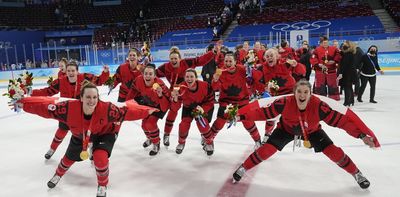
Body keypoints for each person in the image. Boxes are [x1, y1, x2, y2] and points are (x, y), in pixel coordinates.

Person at [231, 79, 380, 189]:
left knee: (333, 151)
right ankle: (244, 167)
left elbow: (342, 122)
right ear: (294, 92)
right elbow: (263, 113)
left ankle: (357, 174)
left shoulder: (319, 106)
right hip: (286, 130)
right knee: (266, 149)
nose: (302, 95)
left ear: (310, 93)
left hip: (312, 131)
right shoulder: (284, 102)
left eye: (305, 92)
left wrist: (361, 136)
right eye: (299, 92)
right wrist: (241, 116)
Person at [18, 81, 158, 197]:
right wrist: (24, 105)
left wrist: (146, 111)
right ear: (81, 98)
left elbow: (127, 112)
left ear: (98, 97)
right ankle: (58, 175)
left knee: (100, 157)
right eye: (88, 97)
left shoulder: (107, 109)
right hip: (81, 135)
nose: (92, 101)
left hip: (104, 134)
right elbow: (45, 109)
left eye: (94, 97)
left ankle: (102, 186)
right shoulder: (67, 108)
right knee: (68, 159)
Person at [31, 62, 109, 159]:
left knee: (89, 133)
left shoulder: (85, 77)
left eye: (73, 70)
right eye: (68, 71)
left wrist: (105, 72)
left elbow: (99, 81)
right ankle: (52, 149)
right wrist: (31, 92)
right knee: (61, 131)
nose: (71, 73)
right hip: (66, 112)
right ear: (65, 72)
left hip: (84, 112)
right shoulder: (60, 81)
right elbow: (47, 91)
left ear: (77, 71)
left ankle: (92, 149)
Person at [156, 46, 217, 147]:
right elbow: (154, 74)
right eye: (172, 58)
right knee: (172, 112)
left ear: (180, 58)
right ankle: (166, 134)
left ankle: (204, 134)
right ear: (169, 59)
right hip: (175, 93)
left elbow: (200, 60)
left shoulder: (186, 63)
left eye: (176, 58)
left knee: (198, 114)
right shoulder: (165, 67)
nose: (174, 60)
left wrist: (212, 53)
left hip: (188, 93)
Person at [205, 52, 262, 155]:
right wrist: (215, 80)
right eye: (226, 61)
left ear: (235, 62)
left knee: (248, 121)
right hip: (226, 102)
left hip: (242, 101)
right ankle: (209, 141)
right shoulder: (220, 72)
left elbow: (255, 78)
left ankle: (258, 141)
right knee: (220, 122)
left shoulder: (242, 69)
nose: (228, 63)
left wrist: (251, 67)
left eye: (230, 61)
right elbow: (214, 88)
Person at [170, 68, 215, 154]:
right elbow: (175, 108)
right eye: (187, 77)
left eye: (191, 76)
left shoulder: (205, 86)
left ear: (196, 78)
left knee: (203, 124)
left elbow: (211, 101)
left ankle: (209, 142)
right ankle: (181, 143)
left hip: (202, 106)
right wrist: (175, 99)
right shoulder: (180, 88)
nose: (189, 79)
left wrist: (203, 109)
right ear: (184, 77)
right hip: (188, 108)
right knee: (183, 125)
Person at [130, 65, 171, 156]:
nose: (147, 76)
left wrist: (160, 95)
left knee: (150, 124)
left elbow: (166, 105)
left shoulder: (160, 85)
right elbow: (133, 90)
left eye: (150, 74)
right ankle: (150, 138)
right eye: (146, 73)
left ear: (154, 76)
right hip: (148, 104)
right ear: (143, 74)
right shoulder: (138, 80)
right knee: (144, 125)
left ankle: (156, 143)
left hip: (161, 105)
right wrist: (128, 102)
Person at [310, 36, 342, 100]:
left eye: (327, 42)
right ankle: (321, 98)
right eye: (324, 42)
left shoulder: (334, 49)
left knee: (332, 85)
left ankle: (334, 98)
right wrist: (318, 64)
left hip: (331, 71)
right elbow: (313, 58)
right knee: (320, 85)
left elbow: (338, 55)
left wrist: (334, 61)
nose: (325, 44)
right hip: (320, 71)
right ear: (321, 43)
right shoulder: (317, 50)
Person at [337, 41, 357, 106]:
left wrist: (340, 73)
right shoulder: (349, 53)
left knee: (347, 87)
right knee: (349, 87)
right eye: (343, 45)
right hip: (351, 73)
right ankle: (351, 101)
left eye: (345, 45)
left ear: (350, 46)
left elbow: (344, 65)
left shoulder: (348, 54)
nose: (343, 46)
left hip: (347, 74)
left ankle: (347, 102)